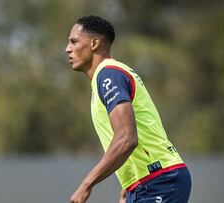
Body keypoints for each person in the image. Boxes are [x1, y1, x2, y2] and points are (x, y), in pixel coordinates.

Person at [65, 15, 191, 203]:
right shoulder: (106, 77)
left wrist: (86, 185)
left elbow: (126, 138)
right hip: (145, 183)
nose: (68, 49)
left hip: (160, 180)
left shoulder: (109, 75)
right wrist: (128, 186)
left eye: (74, 41)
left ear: (94, 43)